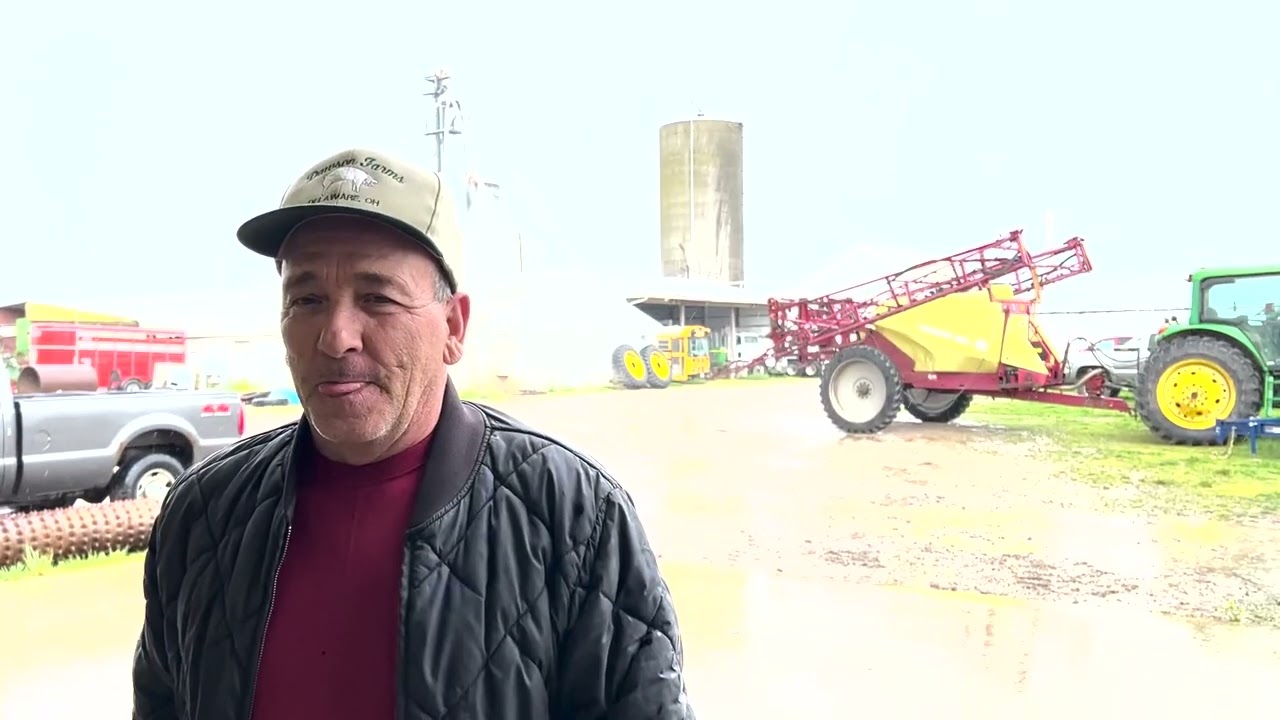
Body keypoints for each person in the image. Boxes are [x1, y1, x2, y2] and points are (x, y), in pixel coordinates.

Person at [131, 148, 695, 720]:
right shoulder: (203, 514)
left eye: (377, 297)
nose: (336, 337)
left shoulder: (575, 517)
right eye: (307, 299)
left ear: (453, 327)